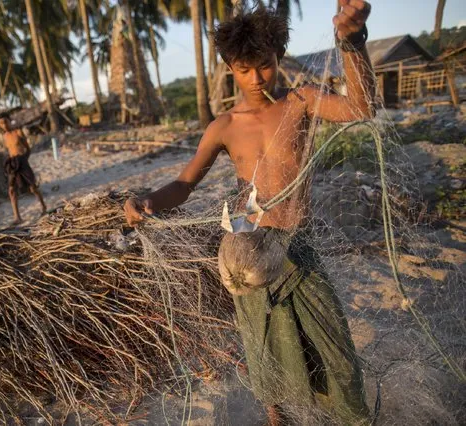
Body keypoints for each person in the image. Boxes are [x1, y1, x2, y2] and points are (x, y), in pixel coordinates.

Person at [123, 2, 375, 425]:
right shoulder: (223, 126)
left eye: (265, 65)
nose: (256, 78)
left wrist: (353, 42)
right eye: (244, 68)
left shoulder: (301, 102)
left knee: (336, 353)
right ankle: (276, 417)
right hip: (246, 250)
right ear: (229, 68)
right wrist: (148, 201)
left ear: (277, 58)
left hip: (299, 246)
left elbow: (362, 109)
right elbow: (184, 185)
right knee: (264, 350)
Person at [0, 115, 46, 223]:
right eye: (1, 123)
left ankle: (43, 207)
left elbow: (28, 149)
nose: (4, 125)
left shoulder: (18, 132)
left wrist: (24, 160)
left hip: (22, 161)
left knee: (33, 187)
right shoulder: (5, 136)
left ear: (10, 121)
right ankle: (17, 217)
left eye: (5, 122)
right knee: (11, 190)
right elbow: (10, 150)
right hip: (12, 164)